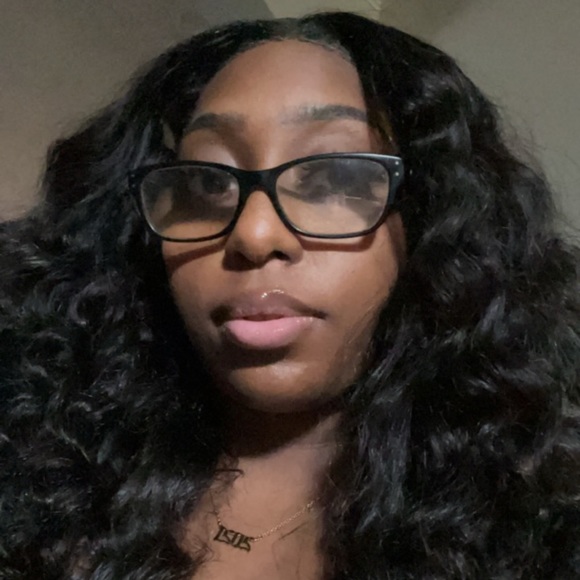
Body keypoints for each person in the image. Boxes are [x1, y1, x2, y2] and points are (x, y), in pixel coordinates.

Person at [1, 10, 579, 579]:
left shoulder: (542, 519)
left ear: (432, 222)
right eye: (207, 181)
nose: (253, 234)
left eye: (333, 179)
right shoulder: (39, 468)